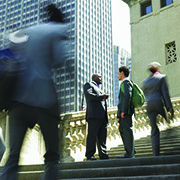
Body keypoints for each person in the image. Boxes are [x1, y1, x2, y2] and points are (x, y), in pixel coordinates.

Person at [0, 4, 69, 180]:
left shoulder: (29, 31)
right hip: (44, 98)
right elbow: (61, 59)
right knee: (52, 155)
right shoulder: (58, 30)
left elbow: (13, 53)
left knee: (13, 155)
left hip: (18, 99)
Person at [142, 62, 174, 156]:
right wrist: (170, 107)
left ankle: (156, 153)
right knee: (166, 117)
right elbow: (165, 93)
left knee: (154, 129)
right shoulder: (162, 77)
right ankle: (169, 127)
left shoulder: (145, 81)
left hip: (150, 105)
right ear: (158, 69)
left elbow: (145, 94)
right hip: (159, 102)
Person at [83, 74, 110, 160]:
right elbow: (89, 95)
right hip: (94, 115)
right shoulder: (89, 84)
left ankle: (103, 154)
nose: (101, 78)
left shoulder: (99, 89)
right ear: (94, 77)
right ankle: (90, 155)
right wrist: (102, 97)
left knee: (102, 137)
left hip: (102, 116)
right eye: (99, 77)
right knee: (92, 135)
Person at [117, 66, 135, 158]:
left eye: (118, 73)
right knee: (123, 130)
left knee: (127, 131)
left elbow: (127, 97)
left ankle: (129, 153)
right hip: (124, 113)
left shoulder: (126, 82)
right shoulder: (126, 83)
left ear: (122, 73)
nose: (117, 76)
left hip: (126, 112)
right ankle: (131, 150)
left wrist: (123, 111)